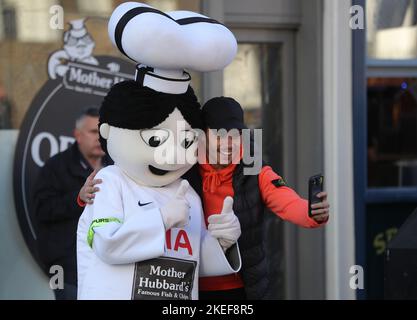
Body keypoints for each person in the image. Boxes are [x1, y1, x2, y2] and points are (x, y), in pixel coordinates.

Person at [79, 97, 330, 300]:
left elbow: (286, 201)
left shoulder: (254, 170)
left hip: (241, 284)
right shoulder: (184, 167)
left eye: (234, 134)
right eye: (219, 135)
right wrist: (86, 195)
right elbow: (137, 177)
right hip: (188, 283)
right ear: (203, 135)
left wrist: (311, 212)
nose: (228, 143)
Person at [33, 107, 111, 300]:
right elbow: (43, 210)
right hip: (67, 267)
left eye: (103, 132)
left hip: (108, 262)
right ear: (77, 135)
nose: (99, 138)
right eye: (93, 132)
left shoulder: (116, 166)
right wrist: (78, 198)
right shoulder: (55, 167)